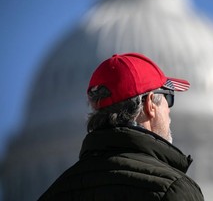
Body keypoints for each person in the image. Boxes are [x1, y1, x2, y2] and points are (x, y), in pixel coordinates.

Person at [38, 52, 204, 201]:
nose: (169, 110)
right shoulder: (172, 190)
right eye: (169, 98)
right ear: (150, 104)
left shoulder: (56, 192)